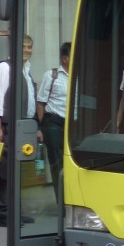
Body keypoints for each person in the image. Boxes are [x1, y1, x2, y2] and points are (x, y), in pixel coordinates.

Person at [0, 35, 35, 227]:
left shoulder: (26, 70)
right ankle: (5, 214)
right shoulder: (3, 68)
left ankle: (16, 211)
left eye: (29, 47)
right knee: (5, 172)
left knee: (19, 172)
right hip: (7, 127)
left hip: (23, 127)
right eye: (23, 46)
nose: (26, 50)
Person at [37, 42, 70, 191]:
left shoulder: (79, 75)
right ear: (64, 58)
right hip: (54, 124)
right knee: (57, 163)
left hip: (72, 125)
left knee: (72, 162)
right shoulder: (51, 76)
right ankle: (61, 203)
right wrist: (41, 127)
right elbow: (40, 103)